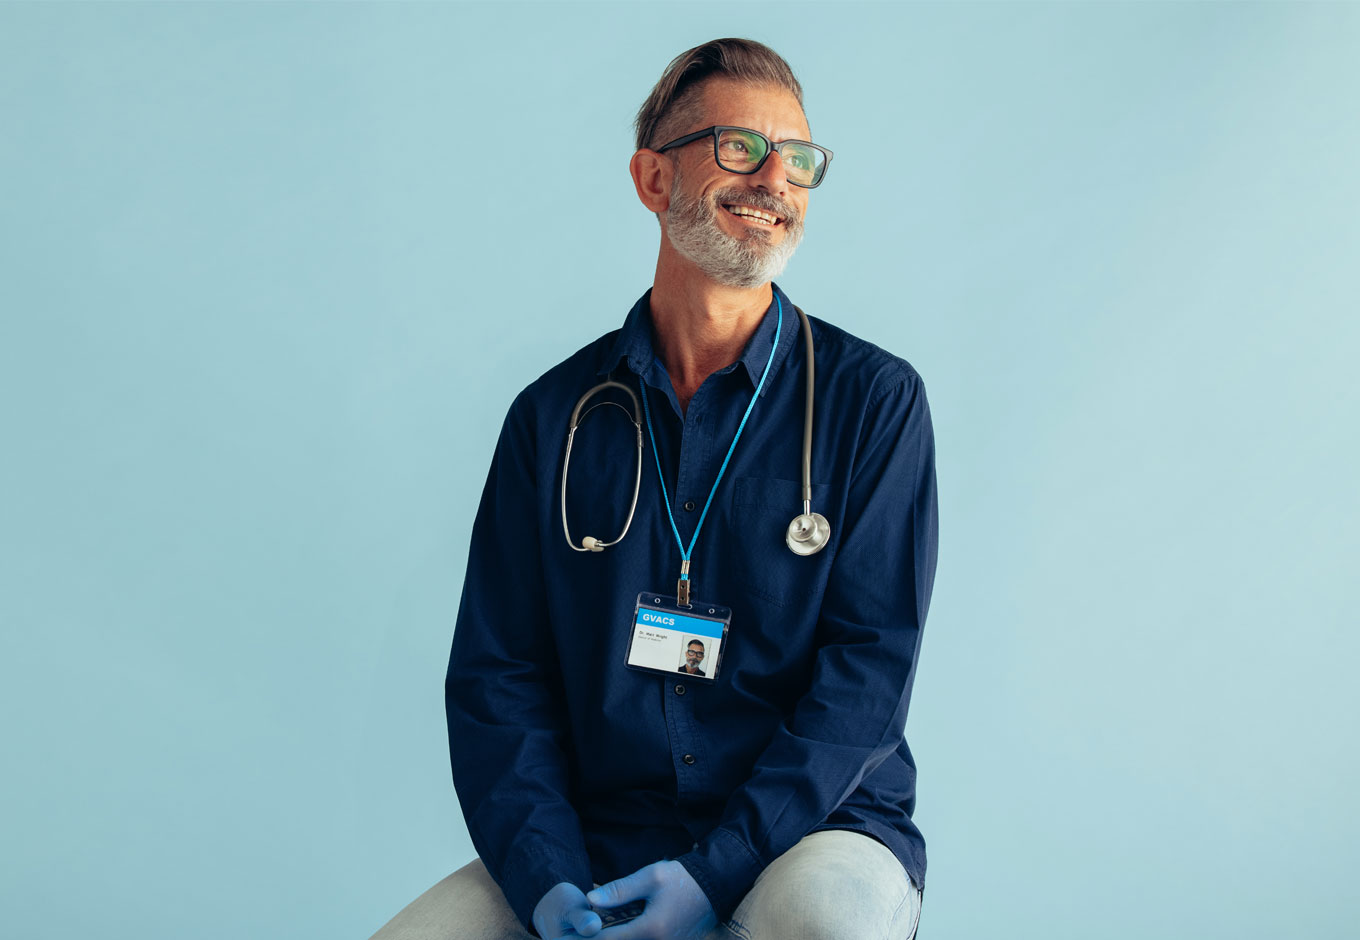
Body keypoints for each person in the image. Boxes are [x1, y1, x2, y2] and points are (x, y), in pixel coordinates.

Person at [372, 37, 938, 940]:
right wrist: (545, 878)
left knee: (832, 925)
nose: (774, 180)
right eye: (739, 148)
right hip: (593, 839)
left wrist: (716, 872)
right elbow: (498, 678)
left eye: (797, 158)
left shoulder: (873, 402)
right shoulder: (551, 418)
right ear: (652, 179)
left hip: (808, 834)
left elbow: (866, 673)